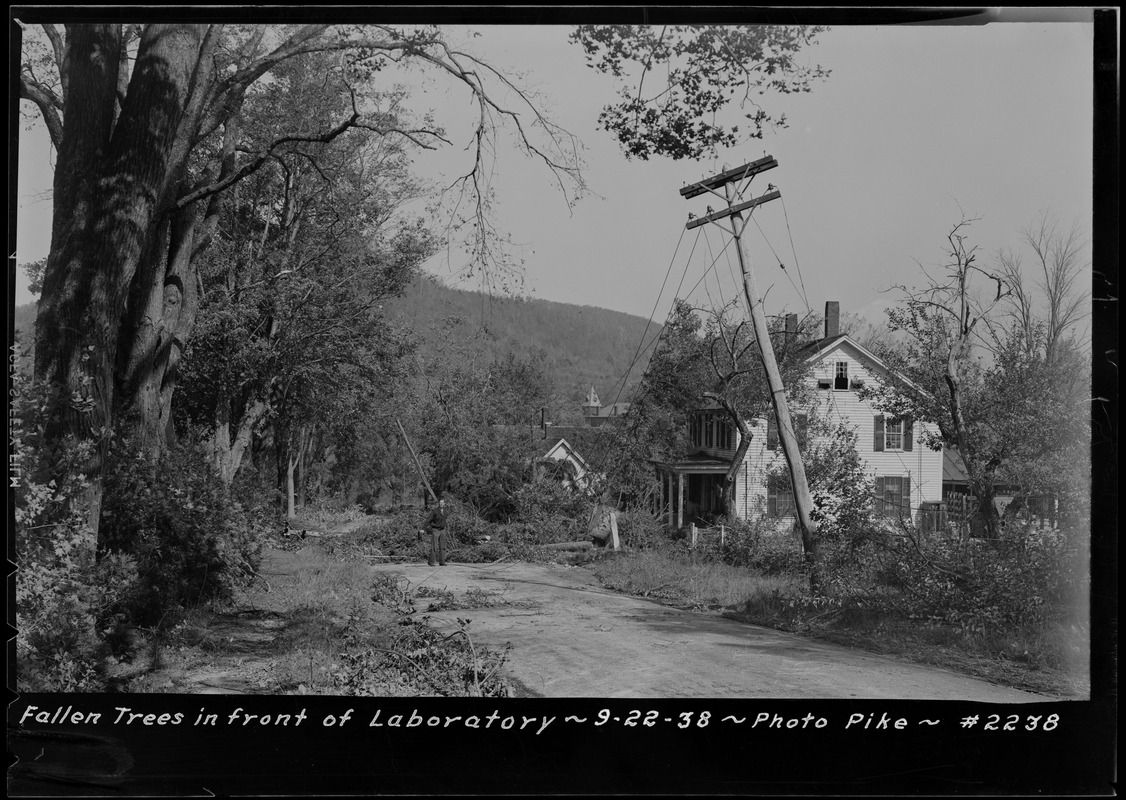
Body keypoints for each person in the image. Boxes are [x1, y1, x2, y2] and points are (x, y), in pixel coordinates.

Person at [425, 498, 450, 567]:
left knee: (443, 546)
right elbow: (428, 520)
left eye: (443, 503)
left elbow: (444, 520)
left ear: (444, 504)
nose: (441, 504)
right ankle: (431, 562)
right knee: (434, 546)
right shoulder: (435, 511)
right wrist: (423, 529)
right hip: (435, 530)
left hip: (443, 530)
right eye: (440, 503)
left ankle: (442, 562)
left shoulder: (445, 511)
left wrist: (445, 527)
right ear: (438, 504)